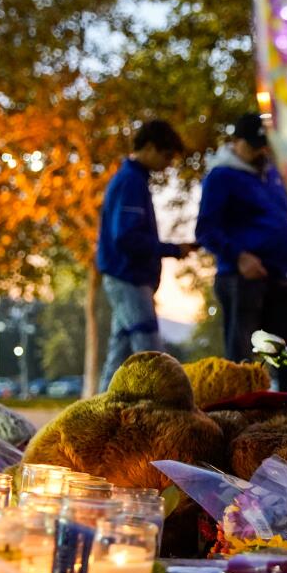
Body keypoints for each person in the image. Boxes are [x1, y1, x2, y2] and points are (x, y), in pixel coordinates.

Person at [197, 113, 287, 389]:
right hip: (242, 279)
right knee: (244, 357)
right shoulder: (221, 176)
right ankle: (245, 417)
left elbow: (283, 220)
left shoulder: (271, 175)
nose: (260, 150)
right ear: (236, 141)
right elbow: (207, 230)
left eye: (263, 144)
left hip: (280, 277)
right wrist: (240, 256)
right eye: (254, 144)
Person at [95, 120, 193, 390]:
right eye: (167, 155)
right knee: (152, 356)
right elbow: (126, 237)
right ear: (149, 148)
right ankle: (170, 411)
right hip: (129, 278)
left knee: (119, 355)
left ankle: (95, 416)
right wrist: (172, 249)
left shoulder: (132, 180)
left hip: (127, 277)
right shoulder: (130, 183)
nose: (169, 163)